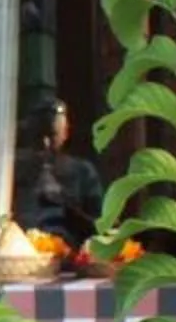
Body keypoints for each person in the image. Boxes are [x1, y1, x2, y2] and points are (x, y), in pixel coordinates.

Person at [11, 93, 106, 248]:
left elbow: (99, 226)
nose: (45, 143)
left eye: (52, 136)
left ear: (66, 132)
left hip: (69, 256)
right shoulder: (12, 171)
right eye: (39, 136)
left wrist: (63, 199)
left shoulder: (82, 172)